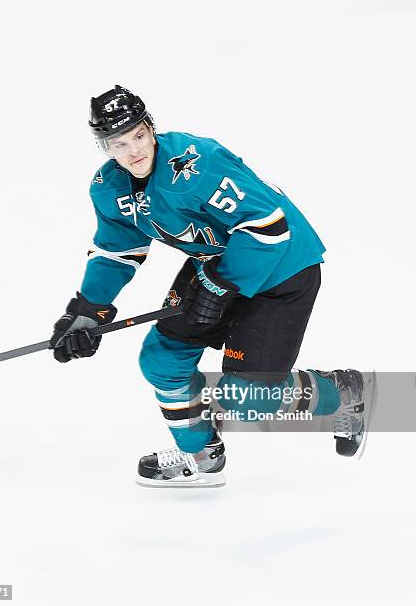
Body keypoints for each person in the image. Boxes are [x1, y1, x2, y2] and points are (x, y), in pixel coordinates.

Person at [49, 85, 376, 488]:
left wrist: (218, 286)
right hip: (218, 262)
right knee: (162, 360)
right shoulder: (109, 188)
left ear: (150, 128)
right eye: (119, 143)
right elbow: (118, 250)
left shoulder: (195, 164)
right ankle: (200, 456)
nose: (134, 150)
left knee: (249, 399)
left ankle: (344, 394)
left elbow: (269, 226)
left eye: (139, 135)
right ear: (105, 147)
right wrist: (87, 311)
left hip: (283, 267)